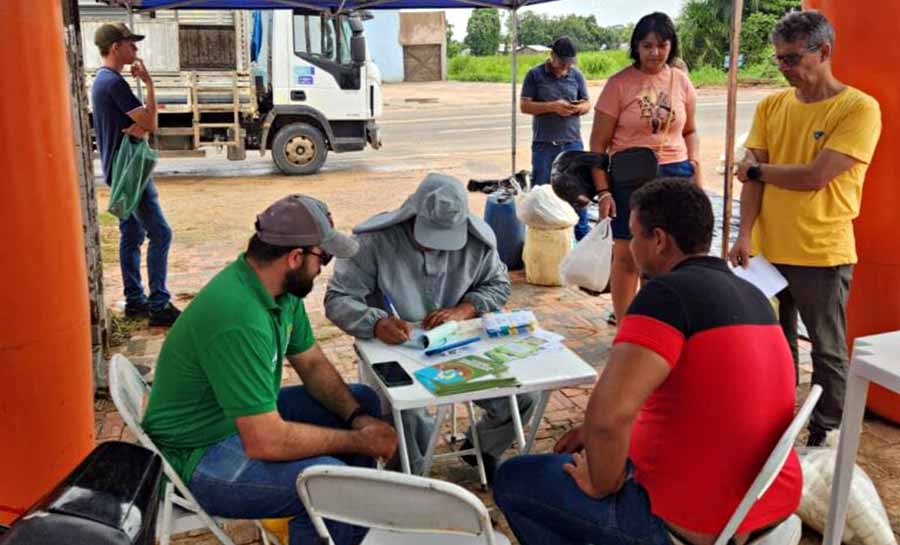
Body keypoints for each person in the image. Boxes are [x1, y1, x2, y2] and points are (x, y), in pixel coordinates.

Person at [493, 179, 802, 545]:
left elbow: (609, 419)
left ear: (659, 240)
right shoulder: (752, 294)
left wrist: (598, 481)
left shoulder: (665, 296)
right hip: (772, 510)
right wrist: (598, 437)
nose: (629, 250)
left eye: (634, 236)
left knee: (515, 479)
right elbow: (706, 401)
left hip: (697, 527)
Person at [142, 195, 398, 545]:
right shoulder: (240, 318)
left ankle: (350, 532)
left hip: (233, 422)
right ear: (295, 258)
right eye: (324, 257)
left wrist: (356, 419)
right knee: (333, 485)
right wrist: (358, 440)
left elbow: (311, 362)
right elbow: (266, 440)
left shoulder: (280, 291)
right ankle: (340, 519)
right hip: (198, 454)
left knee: (362, 401)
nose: (324, 267)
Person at [728, 11, 882, 447]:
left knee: (827, 348)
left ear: (824, 51)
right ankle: (778, 418)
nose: (784, 67)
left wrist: (758, 171)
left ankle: (826, 429)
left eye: (792, 58)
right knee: (775, 346)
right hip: (767, 252)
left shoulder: (858, 108)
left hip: (821, 252)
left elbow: (816, 175)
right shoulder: (772, 105)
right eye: (779, 59)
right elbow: (750, 173)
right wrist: (744, 235)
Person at [324, 173, 537, 481]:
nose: (432, 248)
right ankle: (410, 479)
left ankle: (480, 447)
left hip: (457, 343)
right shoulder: (375, 240)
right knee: (410, 413)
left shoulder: (477, 242)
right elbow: (338, 298)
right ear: (412, 214)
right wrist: (376, 322)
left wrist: (464, 309)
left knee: (520, 396)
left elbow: (498, 285)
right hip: (393, 347)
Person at [589, 12, 701, 325]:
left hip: (675, 176)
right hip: (631, 180)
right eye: (647, 45)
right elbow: (598, 145)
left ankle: (654, 327)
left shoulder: (681, 81)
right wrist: (603, 192)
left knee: (665, 256)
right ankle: (627, 331)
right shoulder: (619, 85)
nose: (654, 52)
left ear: (671, 46)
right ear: (636, 47)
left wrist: (695, 170)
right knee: (627, 256)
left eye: (662, 45)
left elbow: (690, 130)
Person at [91, 23, 180, 327]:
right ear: (116, 47)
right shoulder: (114, 83)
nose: (136, 50)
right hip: (131, 171)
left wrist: (140, 123)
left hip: (117, 169)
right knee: (161, 233)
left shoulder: (102, 81)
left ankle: (135, 300)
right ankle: (158, 304)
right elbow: (151, 123)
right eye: (131, 44)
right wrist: (150, 86)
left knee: (132, 234)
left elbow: (141, 124)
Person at [521, 36, 593, 240]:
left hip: (572, 142)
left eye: (569, 63)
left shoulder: (576, 75)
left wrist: (578, 108)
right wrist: (552, 106)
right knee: (542, 190)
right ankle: (539, 236)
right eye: (562, 63)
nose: (565, 68)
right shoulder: (534, 75)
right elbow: (525, 106)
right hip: (544, 144)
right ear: (552, 56)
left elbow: (587, 103)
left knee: (578, 189)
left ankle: (581, 233)